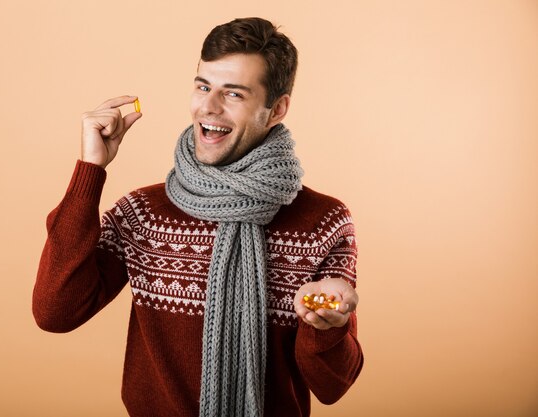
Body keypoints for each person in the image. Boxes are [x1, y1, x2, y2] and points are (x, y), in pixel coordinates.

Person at [33, 17, 363, 417]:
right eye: (203, 86)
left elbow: (333, 386)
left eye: (233, 94)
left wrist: (325, 327)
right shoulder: (144, 214)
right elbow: (56, 312)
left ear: (276, 110)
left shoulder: (323, 223)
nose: (208, 106)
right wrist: (91, 170)